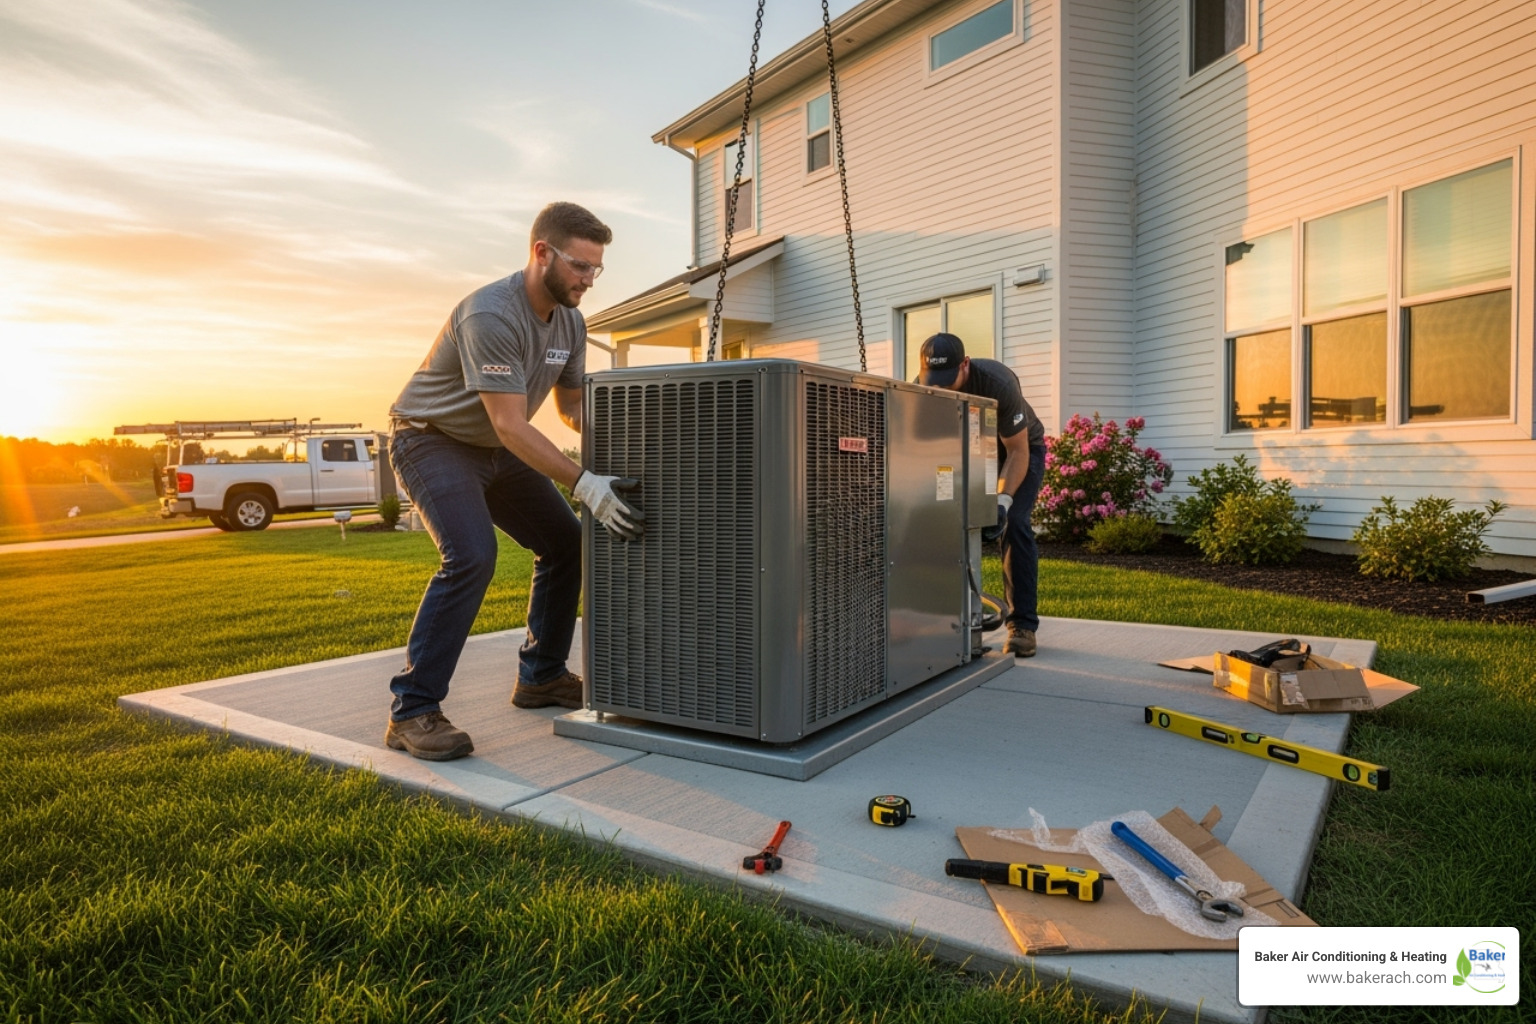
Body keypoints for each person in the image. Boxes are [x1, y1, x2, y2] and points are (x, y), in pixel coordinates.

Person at [383, 201, 644, 761]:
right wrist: (586, 485)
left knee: (566, 542)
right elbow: (509, 422)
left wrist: (636, 434)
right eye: (580, 266)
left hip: (496, 447)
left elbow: (572, 406)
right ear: (541, 252)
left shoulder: (571, 322)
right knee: (471, 555)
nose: (588, 281)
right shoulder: (491, 315)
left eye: (597, 269)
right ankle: (412, 711)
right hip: (432, 439)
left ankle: (541, 677)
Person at [916, 332, 1046, 658]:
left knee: (1014, 522)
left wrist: (1001, 502)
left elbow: (1016, 451)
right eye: (935, 382)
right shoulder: (921, 387)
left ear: (965, 364)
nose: (941, 389)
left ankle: (1022, 627)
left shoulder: (997, 382)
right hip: (972, 454)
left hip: (1018, 452)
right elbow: (922, 447)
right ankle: (946, 619)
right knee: (939, 517)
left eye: (948, 380)